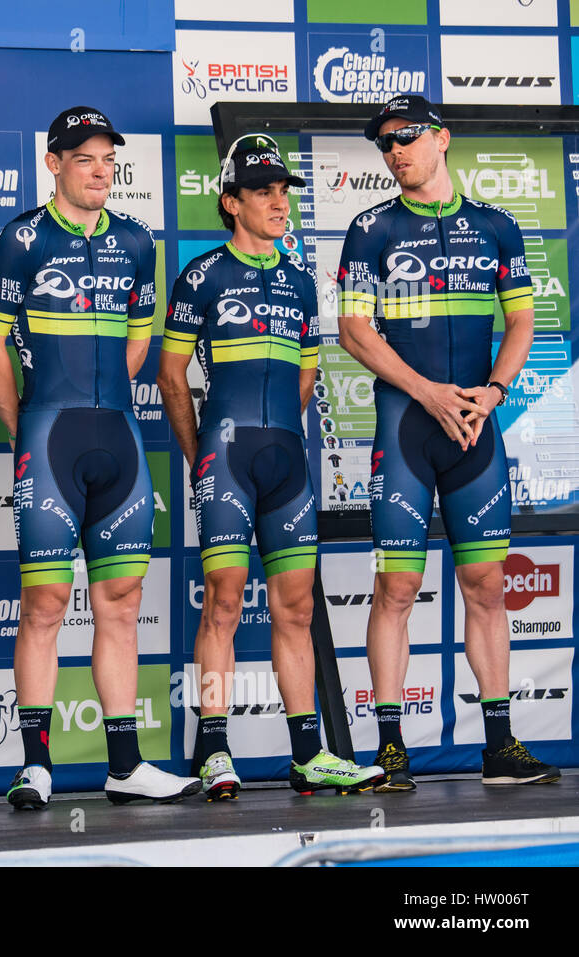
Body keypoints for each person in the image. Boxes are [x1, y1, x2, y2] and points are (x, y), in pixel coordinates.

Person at [0, 106, 200, 809]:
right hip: (48, 437)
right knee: (45, 601)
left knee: (123, 604)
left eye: (108, 159)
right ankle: (35, 764)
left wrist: (109, 400)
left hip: (120, 437)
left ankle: (126, 764)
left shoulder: (137, 241)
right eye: (85, 159)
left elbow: (140, 341)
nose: (101, 170)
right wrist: (28, 426)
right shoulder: (18, 240)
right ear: (54, 164)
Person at [337, 95, 559, 789]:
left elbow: (522, 324)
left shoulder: (498, 226)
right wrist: (429, 392)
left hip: (474, 428)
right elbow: (354, 330)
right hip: (408, 428)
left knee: (486, 585)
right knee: (396, 587)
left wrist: (491, 392)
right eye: (384, 143)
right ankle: (392, 746)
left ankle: (500, 744)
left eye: (405, 137)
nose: (394, 150)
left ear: (443, 139)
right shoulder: (368, 229)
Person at [159, 135, 384, 798]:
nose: (279, 203)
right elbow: (172, 377)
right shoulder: (200, 275)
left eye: (284, 192)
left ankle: (308, 753)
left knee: (293, 606)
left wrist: (276, 435)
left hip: (286, 460)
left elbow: (309, 375)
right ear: (231, 203)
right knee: (224, 603)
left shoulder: (299, 279)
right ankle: (214, 750)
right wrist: (202, 452)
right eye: (263, 193)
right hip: (224, 460)